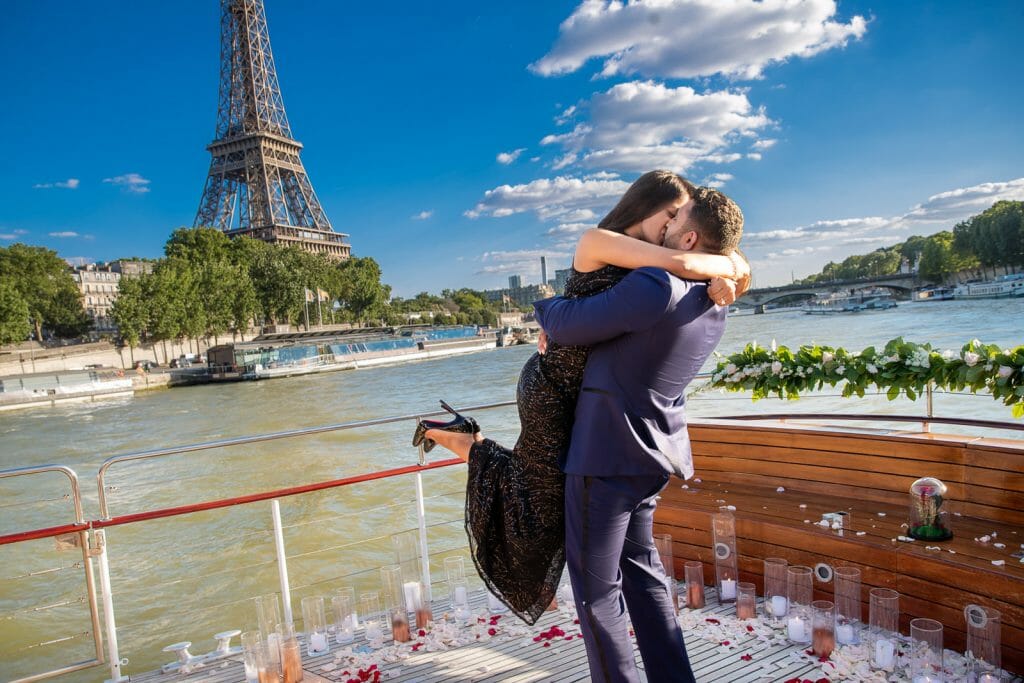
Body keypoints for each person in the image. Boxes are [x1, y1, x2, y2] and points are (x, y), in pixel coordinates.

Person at [416, 171, 749, 624]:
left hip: (587, 396)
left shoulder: (654, 264)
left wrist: (730, 266)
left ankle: (465, 439)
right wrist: (731, 267)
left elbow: (693, 257)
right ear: (645, 206)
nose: (672, 225)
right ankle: (465, 443)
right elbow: (690, 263)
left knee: (547, 507)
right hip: (554, 385)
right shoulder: (601, 240)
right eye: (670, 213)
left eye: (679, 220)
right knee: (538, 514)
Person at [533, 186, 744, 682]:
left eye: (675, 221)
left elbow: (569, 322)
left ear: (689, 237)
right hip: (652, 459)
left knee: (596, 595)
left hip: (605, 458)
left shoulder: (656, 285)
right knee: (644, 578)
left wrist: (542, 308)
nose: (666, 229)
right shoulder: (716, 300)